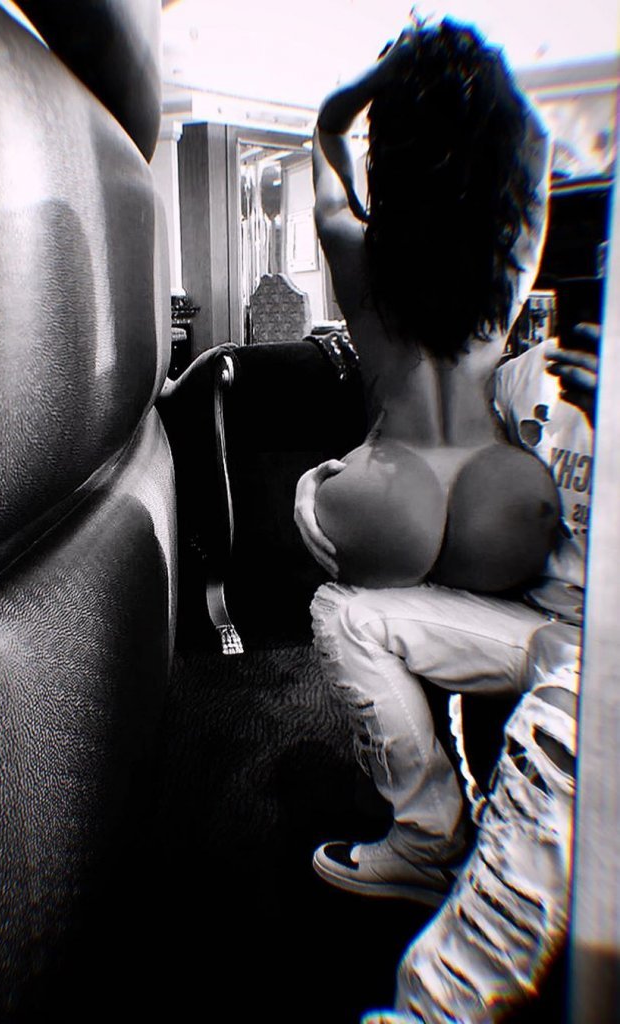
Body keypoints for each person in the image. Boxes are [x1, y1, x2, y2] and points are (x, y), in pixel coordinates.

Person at [294, 18, 581, 902]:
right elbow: (532, 149)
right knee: (464, 614)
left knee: (342, 591)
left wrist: (357, 99)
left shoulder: (357, 248)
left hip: (396, 489)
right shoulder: (505, 264)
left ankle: (425, 830)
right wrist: (481, 90)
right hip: (497, 493)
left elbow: (328, 140)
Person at [357, 328, 596, 1022]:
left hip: (602, 654)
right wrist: (325, 495)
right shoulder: (520, 378)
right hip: (531, 621)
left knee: (556, 724)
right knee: (349, 612)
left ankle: (436, 1006)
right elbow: (437, 482)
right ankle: (427, 841)